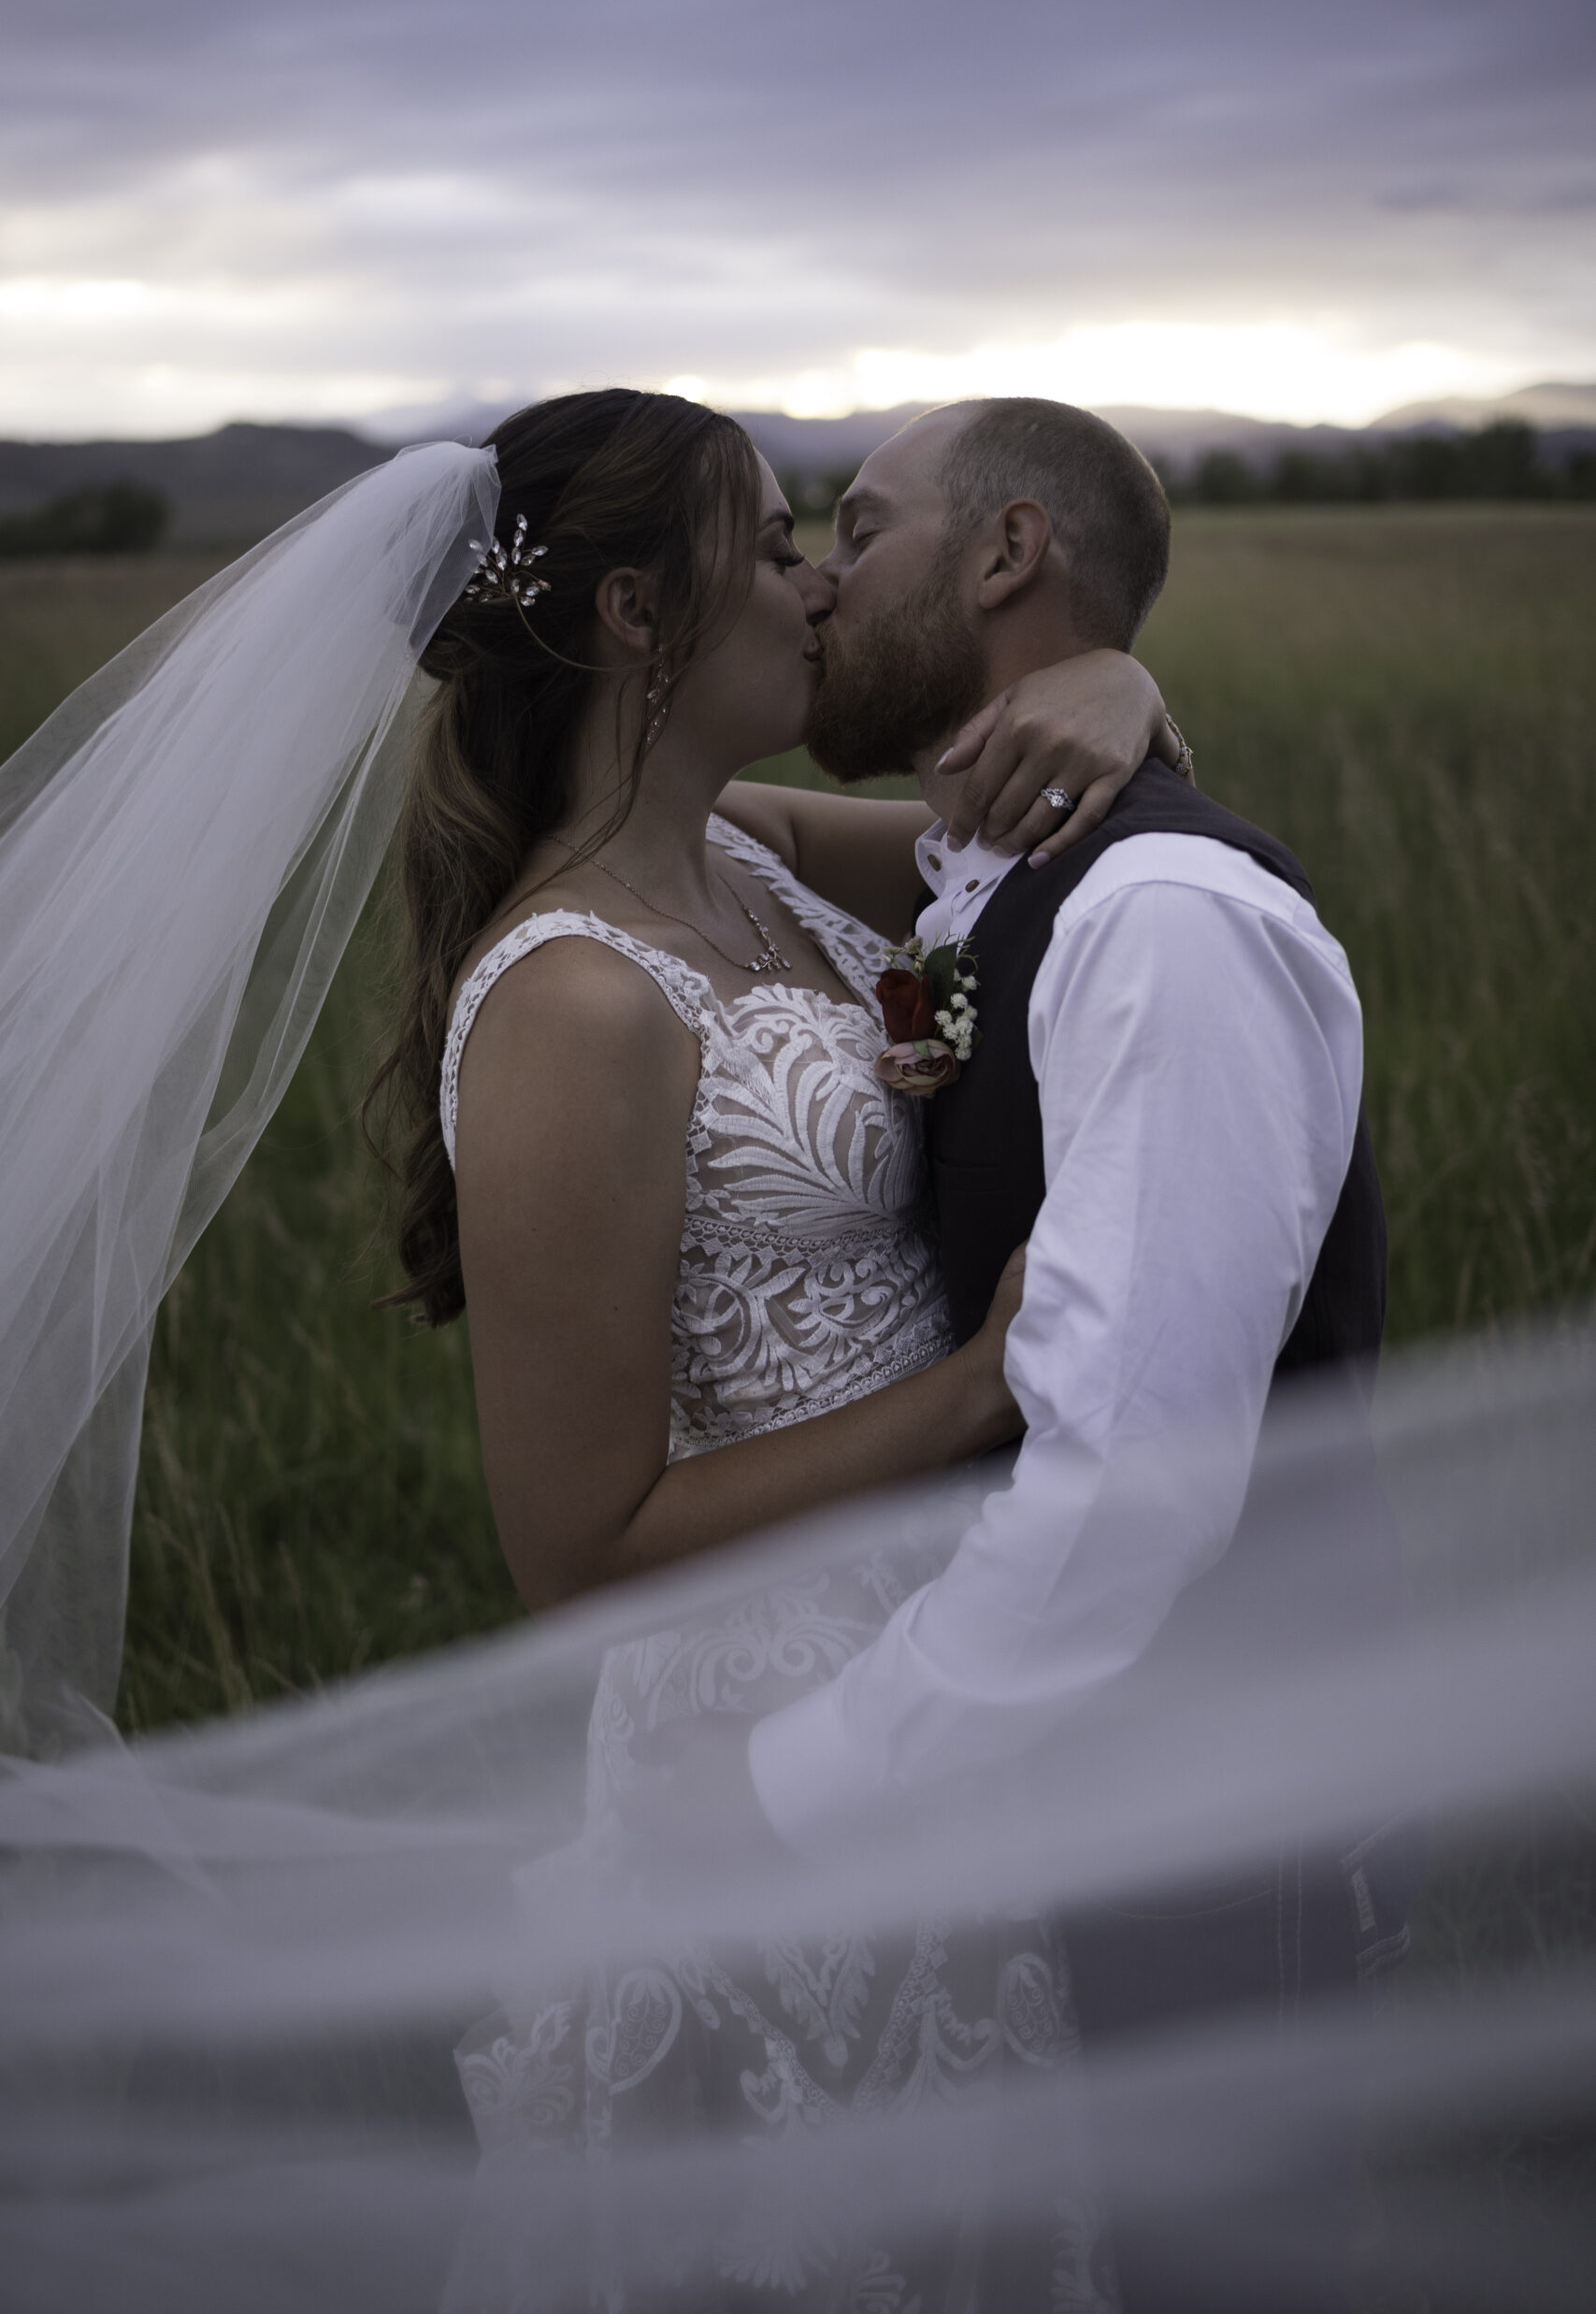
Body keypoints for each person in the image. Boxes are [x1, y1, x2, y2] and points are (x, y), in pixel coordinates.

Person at [386, 387, 1190, 2308]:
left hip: (933, 1659)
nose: (817, 586)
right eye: (766, 545)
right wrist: (978, 1384)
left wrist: (1113, 695)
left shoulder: (740, 854)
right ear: (636, 619)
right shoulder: (574, 999)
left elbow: (1015, 843)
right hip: (754, 1726)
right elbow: (571, 1546)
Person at [740, 397, 1415, 2312]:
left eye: (853, 530)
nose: (813, 577)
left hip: (1229, 1811)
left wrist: (799, 1779)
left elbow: (1129, 1490)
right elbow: (699, 816)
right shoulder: (995, 872)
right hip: (1083, 1780)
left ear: (1004, 552)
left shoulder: (1162, 922)